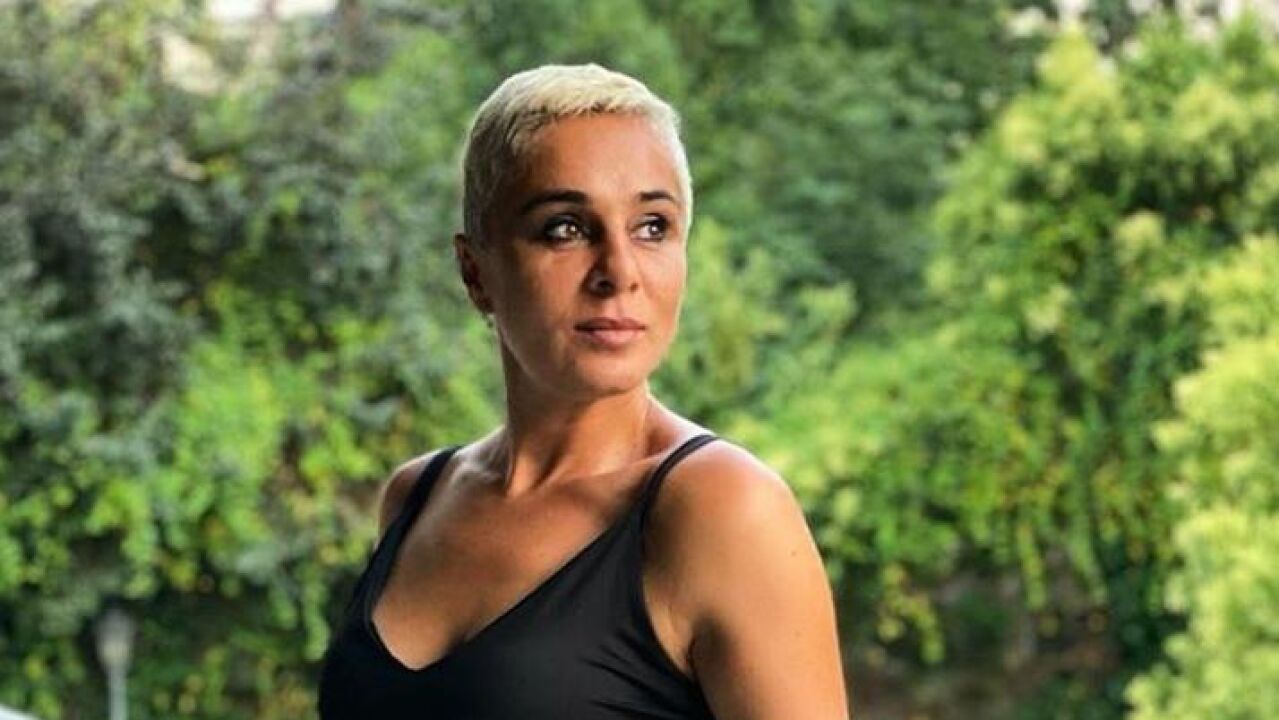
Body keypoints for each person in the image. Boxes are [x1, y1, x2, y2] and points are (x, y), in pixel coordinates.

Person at [318, 63, 849, 719]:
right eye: (565, 227)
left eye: (651, 226)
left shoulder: (723, 508)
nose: (619, 272)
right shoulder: (416, 497)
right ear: (475, 272)